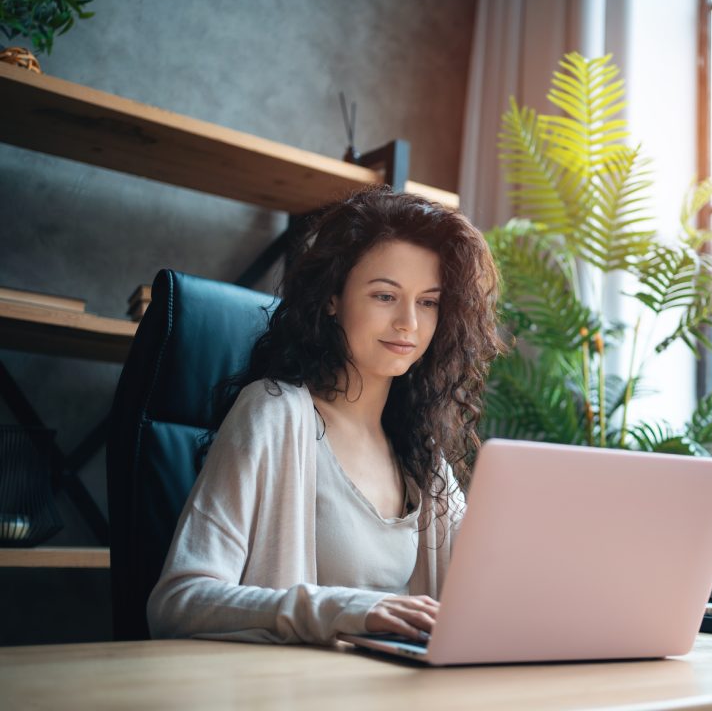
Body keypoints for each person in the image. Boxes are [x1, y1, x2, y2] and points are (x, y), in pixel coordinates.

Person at [147, 188, 504, 645]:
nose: (408, 324)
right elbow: (178, 601)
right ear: (333, 297)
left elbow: (488, 586)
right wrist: (348, 609)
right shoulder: (273, 412)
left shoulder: (421, 454)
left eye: (429, 302)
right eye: (384, 296)